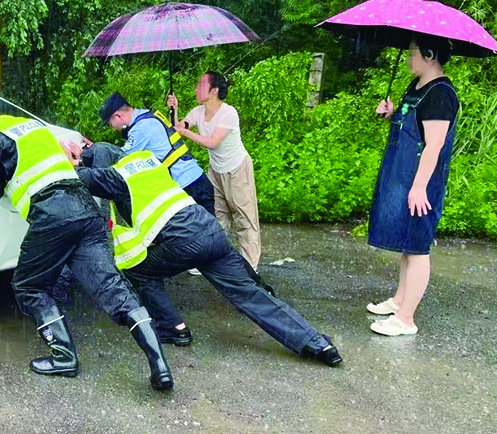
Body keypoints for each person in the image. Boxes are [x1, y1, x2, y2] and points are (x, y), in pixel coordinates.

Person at [0, 92, 173, 390]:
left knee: (28, 285)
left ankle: (64, 356)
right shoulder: (33, 128)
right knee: (112, 288)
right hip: (85, 209)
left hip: (52, 216)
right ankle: (159, 365)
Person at [63, 142, 342, 366]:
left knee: (137, 269)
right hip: (212, 231)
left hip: (182, 242)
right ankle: (318, 345)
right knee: (250, 296)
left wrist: (73, 160)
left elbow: (77, 178)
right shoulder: (149, 161)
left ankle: (174, 328)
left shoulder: (115, 177)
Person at [366, 37, 459, 336]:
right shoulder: (417, 86)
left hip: (421, 182)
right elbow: (414, 128)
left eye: (413, 53)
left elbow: (434, 145)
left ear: (429, 56)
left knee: (417, 247)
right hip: (402, 175)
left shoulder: (441, 94)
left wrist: (419, 188)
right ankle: (399, 301)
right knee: (406, 245)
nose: (409, 58)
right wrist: (392, 114)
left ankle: (406, 319)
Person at [167, 71, 262, 270]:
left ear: (213, 91)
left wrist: (185, 132)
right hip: (216, 171)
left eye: (200, 85)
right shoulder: (197, 111)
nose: (195, 89)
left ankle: (249, 270)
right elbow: (179, 127)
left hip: (237, 169)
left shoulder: (228, 113)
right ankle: (212, 260)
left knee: (244, 219)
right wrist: (174, 110)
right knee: (217, 217)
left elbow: (212, 142)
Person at [98, 93, 218, 217]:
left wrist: (95, 152)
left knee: (202, 234)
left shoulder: (141, 128)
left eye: (109, 123)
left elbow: (120, 159)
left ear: (118, 115)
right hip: (196, 180)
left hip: (189, 187)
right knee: (211, 232)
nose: (112, 128)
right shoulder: (150, 115)